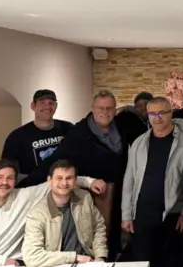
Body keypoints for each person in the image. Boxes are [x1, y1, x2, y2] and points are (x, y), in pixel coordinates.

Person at [16, 90, 129, 259]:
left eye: (109, 108)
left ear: (115, 109)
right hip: (91, 196)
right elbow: (54, 162)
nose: (104, 112)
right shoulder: (78, 134)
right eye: (100, 108)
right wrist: (20, 186)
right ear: (92, 108)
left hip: (121, 191)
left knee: (109, 238)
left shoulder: (123, 126)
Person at [0, 159, 105, 267]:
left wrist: (90, 181)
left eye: (10, 178)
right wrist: (0, 260)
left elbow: (62, 181)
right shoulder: (37, 212)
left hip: (18, 263)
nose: (4, 182)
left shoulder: (24, 196)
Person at [121, 96, 183, 267]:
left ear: (171, 114)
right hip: (143, 214)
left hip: (173, 214)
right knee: (143, 261)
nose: (157, 118)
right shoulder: (139, 143)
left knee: (171, 262)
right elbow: (129, 180)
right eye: (152, 114)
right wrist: (126, 214)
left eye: (162, 113)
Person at [22, 160, 108, 267]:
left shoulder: (85, 197)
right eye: (59, 178)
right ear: (49, 180)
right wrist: (74, 257)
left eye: (69, 178)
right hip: (58, 264)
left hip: (88, 262)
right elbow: (32, 257)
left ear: (75, 180)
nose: (64, 183)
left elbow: (98, 227)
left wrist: (100, 256)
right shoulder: (37, 214)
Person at [1, 89, 73, 181]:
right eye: (42, 103)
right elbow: (7, 170)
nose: (47, 107)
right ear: (33, 106)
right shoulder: (17, 136)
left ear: (56, 106)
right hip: (33, 190)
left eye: (51, 103)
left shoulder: (68, 128)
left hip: (64, 185)